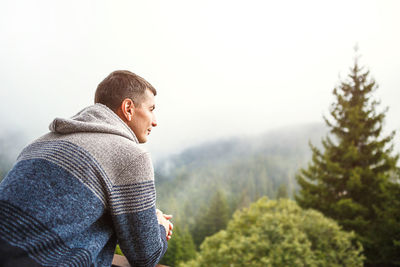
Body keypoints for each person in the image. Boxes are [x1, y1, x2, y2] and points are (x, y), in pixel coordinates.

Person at [0, 70, 172, 266]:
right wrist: (159, 225)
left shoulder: (39, 143)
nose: (155, 121)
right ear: (128, 108)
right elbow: (145, 256)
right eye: (151, 109)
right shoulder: (131, 156)